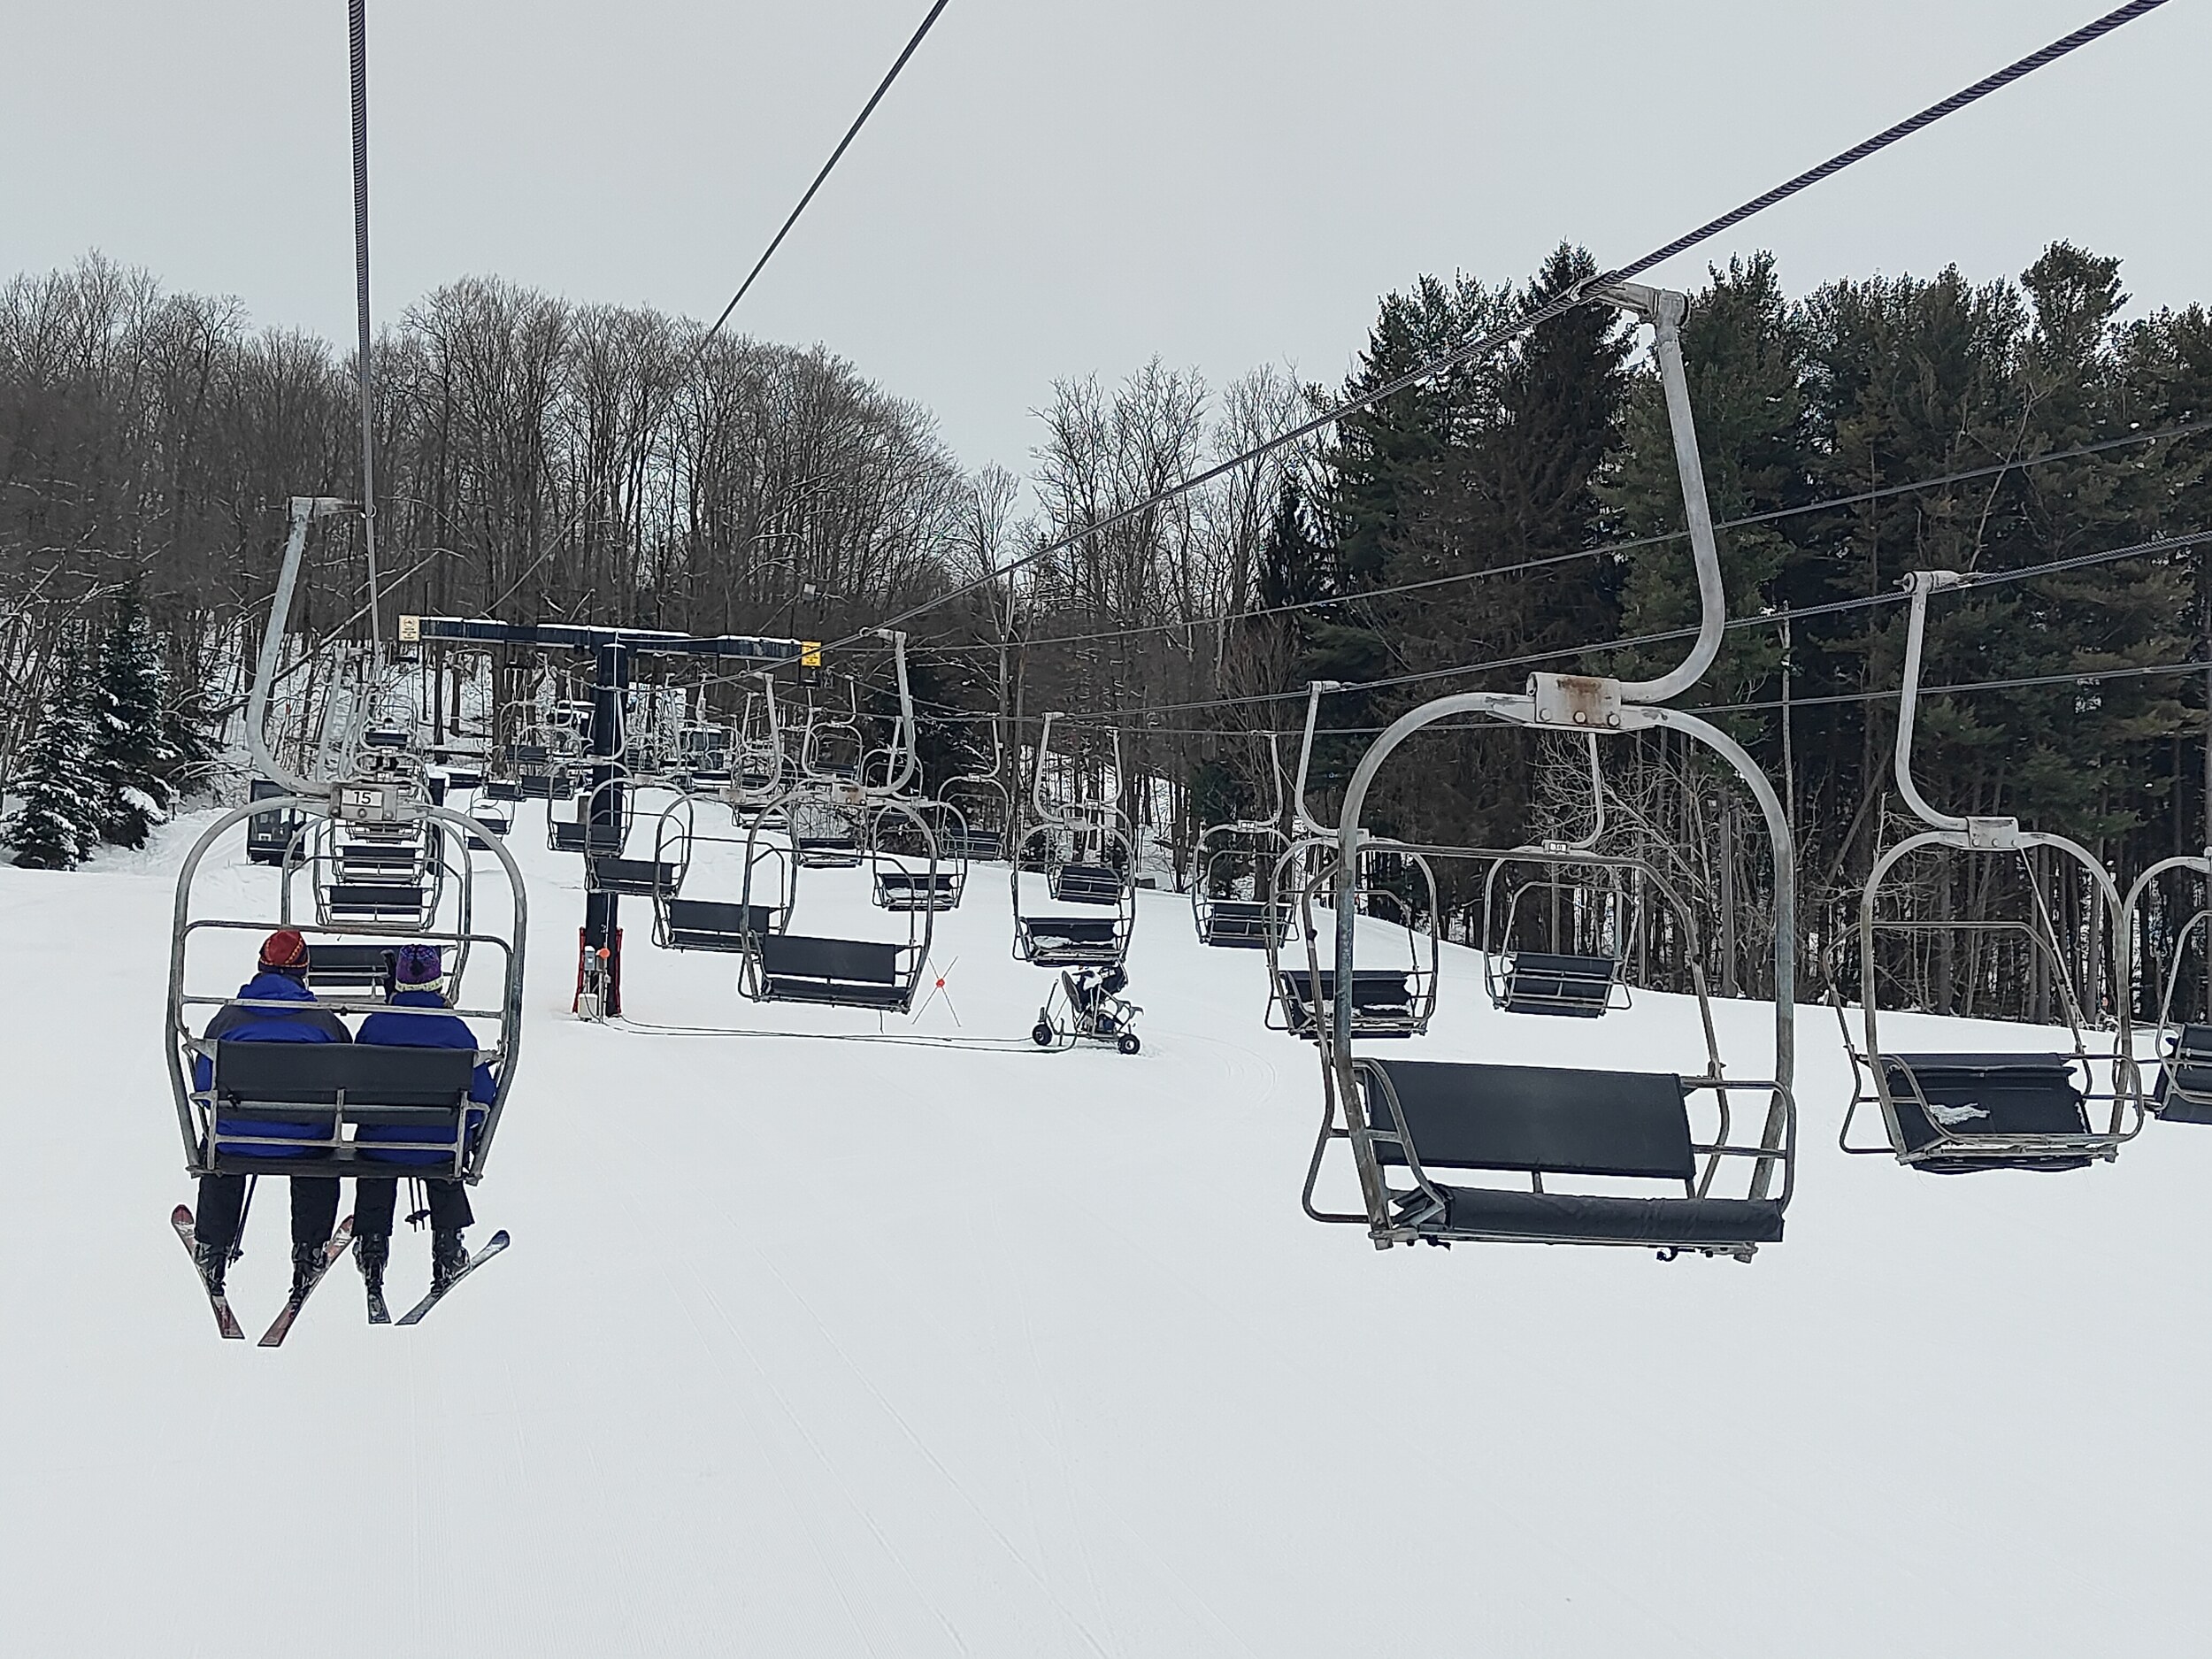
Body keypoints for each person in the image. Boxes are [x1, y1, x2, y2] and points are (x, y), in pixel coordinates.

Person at [191, 928, 350, 1299]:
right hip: (305, 1143)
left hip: (236, 1138)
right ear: (303, 971)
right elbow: (347, 1083)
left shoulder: (228, 1020)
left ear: (260, 967)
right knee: (322, 1154)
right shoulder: (323, 1023)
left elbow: (204, 1086)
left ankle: (214, 1244)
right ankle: (309, 1248)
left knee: (219, 1148)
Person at [351, 943, 495, 1297]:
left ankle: (372, 1247)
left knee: (377, 1167)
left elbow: (353, 1086)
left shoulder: (375, 1027)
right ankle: (448, 1246)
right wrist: (469, 1130)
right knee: (445, 1161)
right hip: (439, 1144)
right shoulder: (456, 1033)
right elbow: (482, 1095)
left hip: (380, 1144)